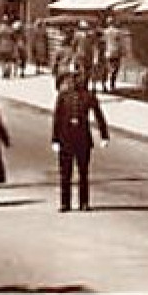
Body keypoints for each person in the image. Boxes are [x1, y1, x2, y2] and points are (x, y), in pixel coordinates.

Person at [51, 71, 109, 212]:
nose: (78, 82)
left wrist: (104, 135)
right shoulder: (63, 97)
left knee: (83, 173)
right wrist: (55, 139)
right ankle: (65, 203)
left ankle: (84, 202)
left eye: (81, 79)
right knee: (65, 173)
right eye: (75, 79)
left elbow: (99, 116)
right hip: (66, 139)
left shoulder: (89, 97)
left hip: (83, 139)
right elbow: (57, 119)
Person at [102, 18, 129, 93]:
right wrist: (123, 52)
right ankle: (112, 86)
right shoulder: (118, 32)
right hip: (116, 53)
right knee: (115, 70)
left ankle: (104, 85)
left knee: (107, 70)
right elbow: (120, 43)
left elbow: (102, 43)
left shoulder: (105, 32)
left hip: (107, 53)